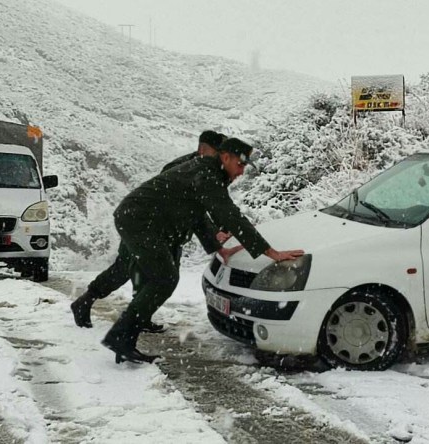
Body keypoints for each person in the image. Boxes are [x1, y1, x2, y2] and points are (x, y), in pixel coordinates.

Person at [101, 137, 304, 364]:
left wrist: (218, 248)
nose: (241, 171)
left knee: (162, 278)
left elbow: (197, 213)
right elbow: (230, 214)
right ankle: (121, 337)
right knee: (164, 279)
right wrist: (271, 252)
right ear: (225, 157)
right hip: (140, 220)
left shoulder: (209, 172)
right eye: (240, 164)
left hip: (144, 220)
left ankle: (122, 338)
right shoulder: (207, 175)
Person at [70, 130, 228, 332]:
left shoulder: (210, 172)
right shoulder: (181, 169)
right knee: (125, 269)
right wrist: (213, 234)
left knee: (161, 279)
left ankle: (140, 316)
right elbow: (192, 210)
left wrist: (219, 229)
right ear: (204, 150)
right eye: (220, 153)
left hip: (170, 234)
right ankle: (86, 301)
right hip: (144, 226)